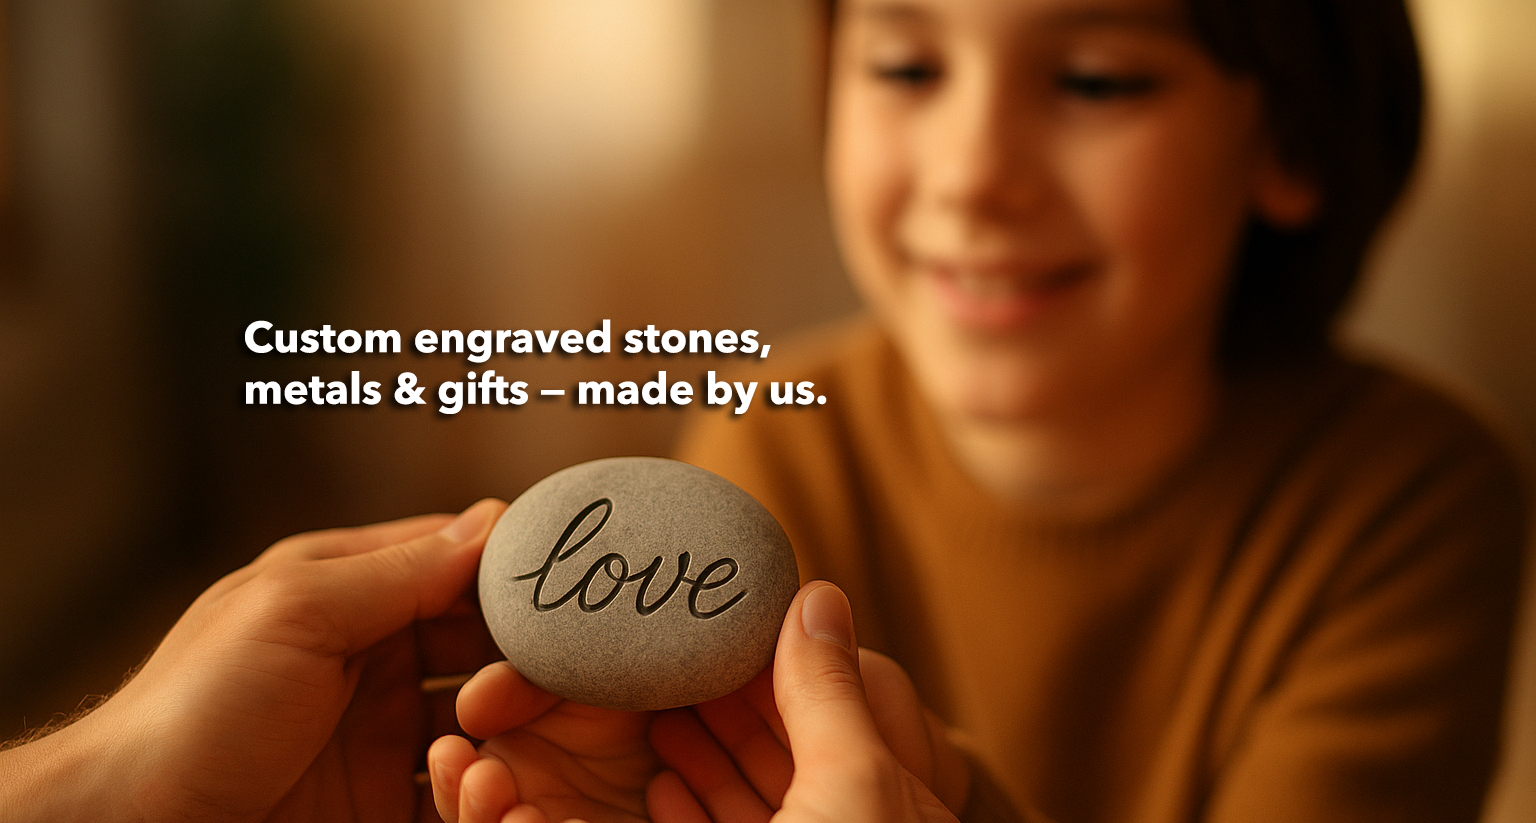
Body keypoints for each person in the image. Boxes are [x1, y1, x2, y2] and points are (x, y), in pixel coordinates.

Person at [438, 0, 1526, 820]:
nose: (973, 172)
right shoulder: (780, 434)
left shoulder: (1411, 498)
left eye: (1097, 82)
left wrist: (951, 798)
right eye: (908, 67)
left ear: (1291, 137)